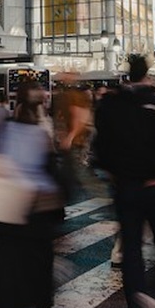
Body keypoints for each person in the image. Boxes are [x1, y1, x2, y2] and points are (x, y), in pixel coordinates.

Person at [0, 79, 72, 308]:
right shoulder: (39, 132)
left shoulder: (3, 128)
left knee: (5, 263)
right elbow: (48, 173)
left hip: (3, 209)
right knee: (39, 261)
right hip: (30, 209)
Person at [91, 53, 155, 308]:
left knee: (132, 248)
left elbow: (101, 145)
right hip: (152, 184)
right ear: (147, 73)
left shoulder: (111, 103)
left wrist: (114, 172)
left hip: (124, 185)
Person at [51, 71, 93, 208]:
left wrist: (69, 137)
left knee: (75, 171)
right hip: (72, 140)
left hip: (73, 141)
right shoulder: (70, 95)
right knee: (73, 171)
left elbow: (79, 116)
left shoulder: (73, 96)